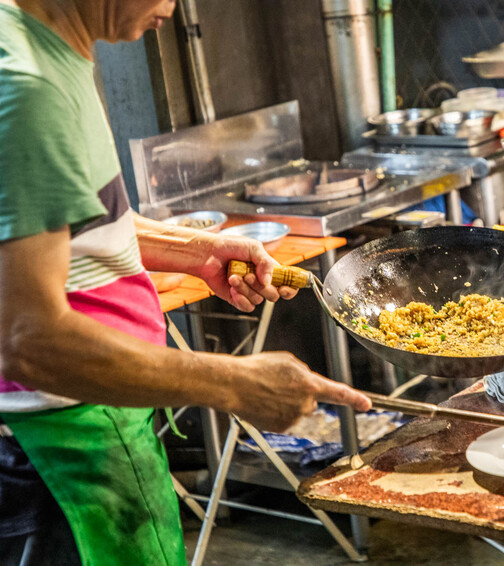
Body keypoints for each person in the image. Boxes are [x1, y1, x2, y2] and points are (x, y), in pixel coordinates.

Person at [0, 1, 371, 564]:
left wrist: (195, 250)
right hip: (64, 442)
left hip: (94, 416)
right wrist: (231, 384)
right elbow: (28, 339)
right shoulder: (26, 87)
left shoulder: (50, 41)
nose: (172, 8)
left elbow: (73, 224)